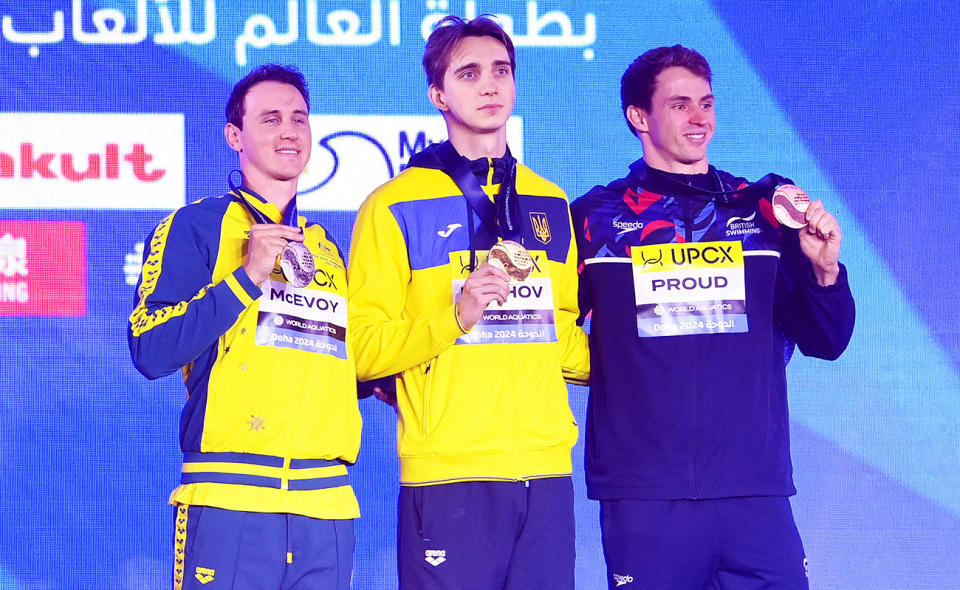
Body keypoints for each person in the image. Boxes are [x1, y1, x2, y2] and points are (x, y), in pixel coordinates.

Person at [570, 45, 855, 590]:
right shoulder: (593, 219)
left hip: (755, 492)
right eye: (680, 105)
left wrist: (826, 273)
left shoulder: (765, 211)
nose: (699, 118)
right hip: (645, 496)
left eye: (706, 102)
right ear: (639, 117)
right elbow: (546, 331)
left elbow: (828, 340)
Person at [347, 15, 589, 590]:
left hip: (546, 471)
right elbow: (359, 348)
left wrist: (644, 350)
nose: (489, 85)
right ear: (439, 94)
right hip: (449, 472)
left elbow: (562, 339)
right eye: (469, 73)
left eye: (501, 71)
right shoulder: (393, 204)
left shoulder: (550, 201)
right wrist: (453, 319)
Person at [128, 64, 361, 590]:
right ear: (235, 135)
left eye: (299, 119)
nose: (289, 131)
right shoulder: (196, 226)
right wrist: (246, 277)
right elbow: (150, 348)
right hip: (229, 498)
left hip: (325, 506)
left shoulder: (325, 249)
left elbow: (345, 367)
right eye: (271, 118)